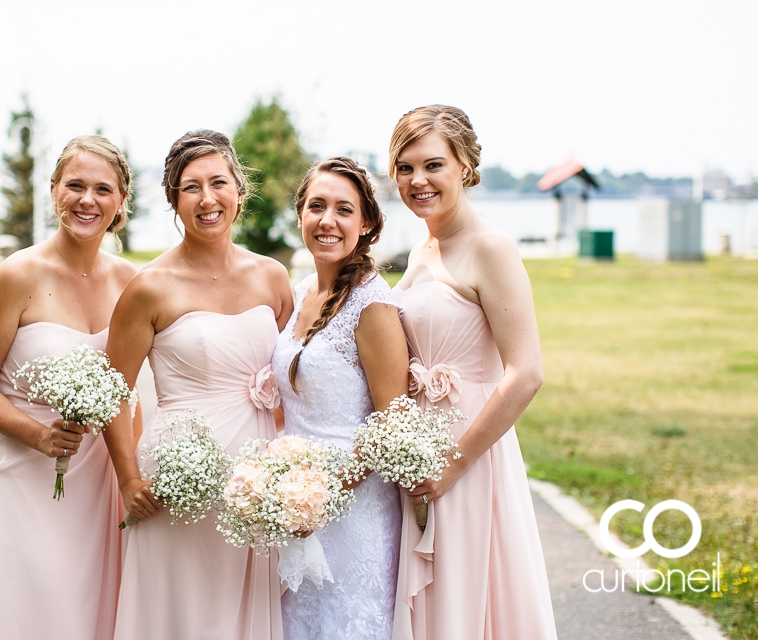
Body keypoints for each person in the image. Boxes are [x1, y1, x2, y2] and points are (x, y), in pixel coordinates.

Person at [103, 130, 293, 640]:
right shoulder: (149, 288)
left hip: (257, 482)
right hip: (178, 482)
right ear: (173, 201)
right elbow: (113, 391)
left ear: (238, 190)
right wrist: (128, 479)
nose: (207, 199)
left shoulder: (273, 277)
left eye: (218, 183)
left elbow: (295, 375)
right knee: (180, 613)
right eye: (191, 188)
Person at [387, 105, 558, 639]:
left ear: (464, 165)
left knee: (466, 597)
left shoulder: (492, 248)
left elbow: (526, 373)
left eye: (433, 165)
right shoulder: (421, 246)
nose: (419, 180)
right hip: (417, 451)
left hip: (468, 454)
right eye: (405, 167)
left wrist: (453, 466)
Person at [0, 135, 140, 640]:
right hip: (27, 476)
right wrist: (39, 435)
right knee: (37, 609)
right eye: (75, 186)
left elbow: (128, 391)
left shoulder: (131, 281)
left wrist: (135, 474)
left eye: (103, 189)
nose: (88, 200)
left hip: (101, 478)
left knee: (96, 612)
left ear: (121, 201)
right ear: (54, 189)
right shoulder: (16, 276)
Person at [271, 157, 409, 640]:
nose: (327, 220)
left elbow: (390, 426)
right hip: (295, 504)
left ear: (366, 223)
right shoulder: (303, 290)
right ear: (301, 215)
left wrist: (319, 499)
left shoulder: (373, 306)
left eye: (343, 210)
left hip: (354, 511)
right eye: (317, 206)